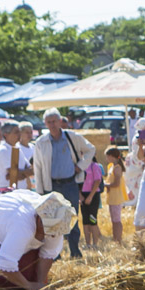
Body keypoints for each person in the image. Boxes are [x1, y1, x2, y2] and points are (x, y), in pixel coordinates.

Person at [0, 190, 76, 290]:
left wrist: (40, 284)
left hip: (12, 224)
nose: (52, 235)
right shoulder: (22, 224)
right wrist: (29, 286)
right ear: (39, 219)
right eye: (49, 230)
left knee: (26, 278)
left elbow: (47, 254)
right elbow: (4, 265)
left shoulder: (57, 221)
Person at [31, 109, 95, 261]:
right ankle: (55, 254)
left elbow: (90, 149)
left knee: (72, 218)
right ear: (45, 124)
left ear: (60, 122)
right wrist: (40, 192)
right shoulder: (41, 142)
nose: (52, 125)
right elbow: (38, 167)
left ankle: (75, 251)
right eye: (49, 122)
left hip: (69, 184)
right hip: (51, 186)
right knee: (52, 221)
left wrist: (80, 166)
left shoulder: (71, 137)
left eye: (54, 121)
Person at [0, 122, 34, 191]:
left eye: (19, 131)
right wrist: (22, 174)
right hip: (7, 192)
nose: (19, 134)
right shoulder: (3, 150)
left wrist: (19, 174)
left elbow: (31, 169)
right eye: (16, 132)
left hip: (20, 192)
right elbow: (13, 175)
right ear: (6, 135)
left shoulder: (17, 148)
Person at [102, 148, 127, 245]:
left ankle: (118, 239)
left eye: (107, 156)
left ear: (112, 156)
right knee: (114, 219)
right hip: (112, 196)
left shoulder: (117, 168)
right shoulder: (111, 167)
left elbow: (116, 183)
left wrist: (105, 185)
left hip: (116, 196)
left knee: (117, 220)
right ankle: (115, 238)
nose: (106, 158)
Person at [80, 154, 104, 251]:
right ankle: (88, 244)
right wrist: (80, 196)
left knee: (93, 220)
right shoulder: (80, 167)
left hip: (93, 195)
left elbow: (97, 181)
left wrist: (90, 196)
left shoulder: (94, 166)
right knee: (85, 221)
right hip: (83, 195)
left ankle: (95, 244)